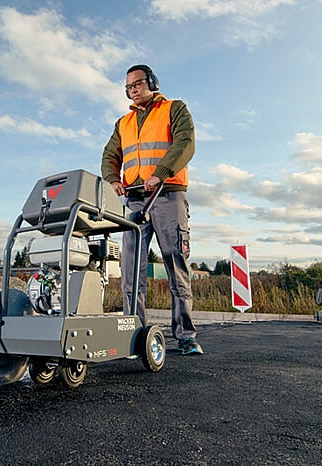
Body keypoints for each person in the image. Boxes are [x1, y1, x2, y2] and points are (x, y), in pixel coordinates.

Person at [101, 64, 203, 355]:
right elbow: (110, 155)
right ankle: (134, 336)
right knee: (131, 270)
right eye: (128, 87)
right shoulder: (124, 123)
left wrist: (161, 171)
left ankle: (185, 336)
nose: (133, 89)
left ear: (152, 82)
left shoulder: (174, 108)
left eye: (137, 83)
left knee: (175, 262)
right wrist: (112, 179)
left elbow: (185, 143)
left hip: (168, 195)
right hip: (134, 201)